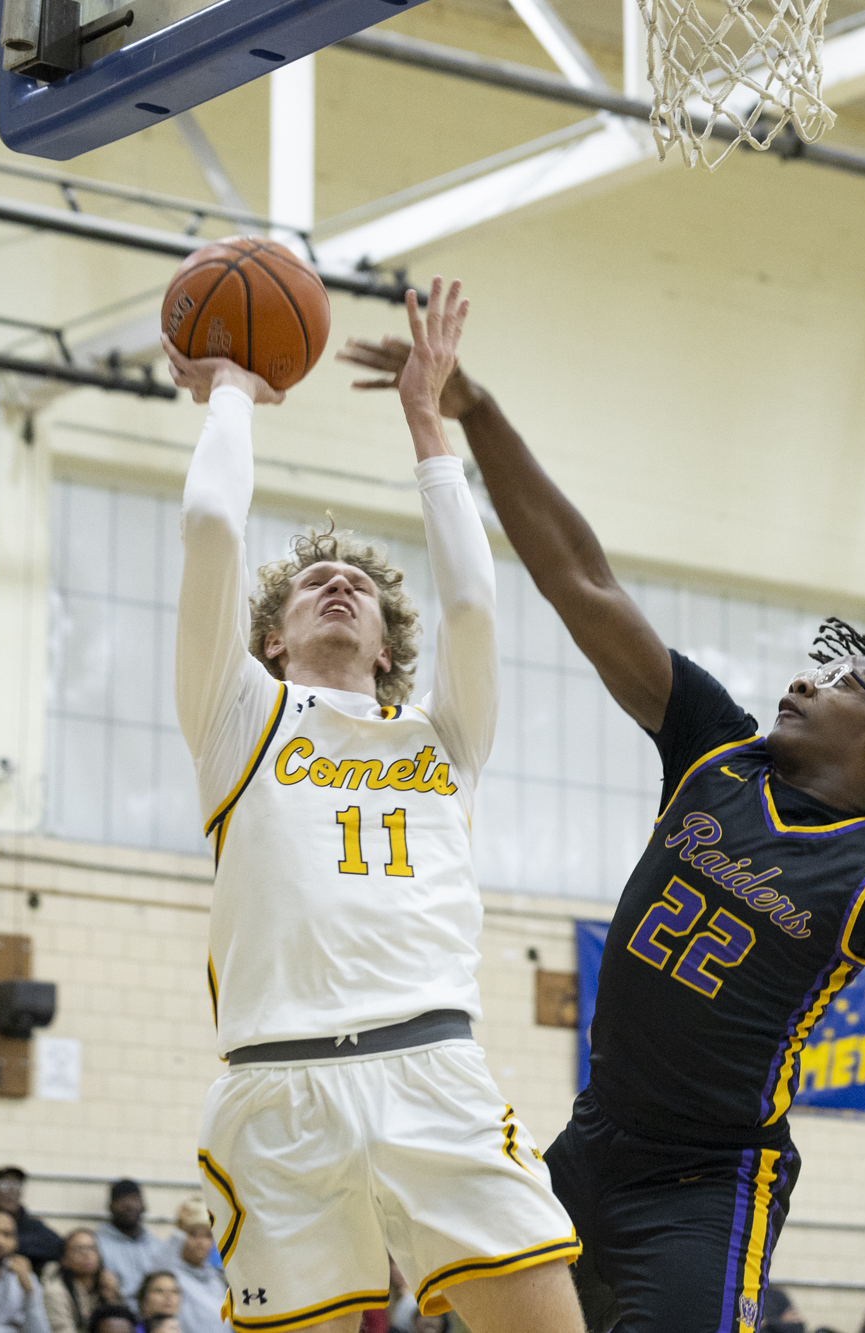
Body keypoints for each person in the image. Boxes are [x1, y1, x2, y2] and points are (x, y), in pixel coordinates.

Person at [341, 302, 865, 1333]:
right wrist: (477, 410)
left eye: (840, 679)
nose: (806, 681)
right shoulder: (713, 747)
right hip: (589, 1148)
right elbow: (580, 578)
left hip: (705, 1187)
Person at [168, 280, 580, 1333]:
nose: (339, 585)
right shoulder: (237, 717)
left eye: (356, 581)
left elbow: (474, 601)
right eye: (314, 585)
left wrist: (425, 421)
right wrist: (230, 389)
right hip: (276, 1091)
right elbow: (214, 521)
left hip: (432, 1069)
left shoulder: (443, 736)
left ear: (391, 649)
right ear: (272, 638)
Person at [0, 1172, 62, 1275]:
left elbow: (58, 1247)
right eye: (4, 1185)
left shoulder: (31, 1224)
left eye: (16, 1185)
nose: (11, 1191)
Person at [91, 1188, 167, 1305]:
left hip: (152, 1314)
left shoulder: (157, 1245)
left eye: (134, 1199)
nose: (129, 1205)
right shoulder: (96, 1243)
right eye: (122, 1200)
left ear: (143, 1206)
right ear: (110, 1206)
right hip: (114, 1312)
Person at [43, 1233, 120, 1333]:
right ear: (64, 1259)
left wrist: (112, 1299)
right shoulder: (55, 1292)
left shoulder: (106, 1286)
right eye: (78, 1249)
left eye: (91, 1248)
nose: (86, 1254)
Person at [162, 1223, 222, 1333]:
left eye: (207, 1236)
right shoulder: (171, 1275)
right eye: (193, 1235)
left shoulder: (217, 1280)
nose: (200, 1241)